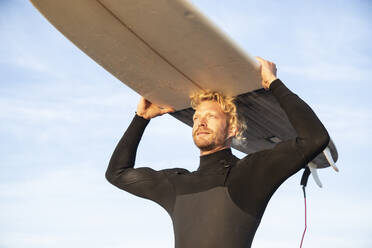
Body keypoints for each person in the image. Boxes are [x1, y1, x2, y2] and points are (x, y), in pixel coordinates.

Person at [105, 57, 330, 248]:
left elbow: (314, 139)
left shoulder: (250, 174)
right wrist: (140, 119)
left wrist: (274, 84)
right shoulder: (174, 183)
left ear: (231, 128)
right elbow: (117, 173)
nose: (200, 122)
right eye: (196, 118)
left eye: (210, 117)